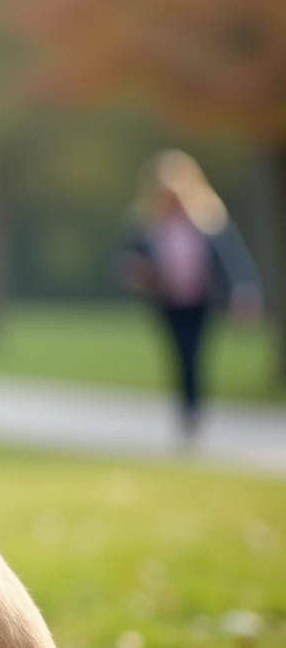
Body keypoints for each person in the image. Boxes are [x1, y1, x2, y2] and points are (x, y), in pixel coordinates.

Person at [119, 149, 262, 444]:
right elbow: (128, 261)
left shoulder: (208, 221)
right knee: (179, 353)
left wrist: (242, 292)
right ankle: (187, 409)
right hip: (168, 301)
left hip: (201, 300)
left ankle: (194, 410)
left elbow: (230, 261)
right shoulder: (148, 226)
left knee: (196, 352)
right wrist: (142, 272)